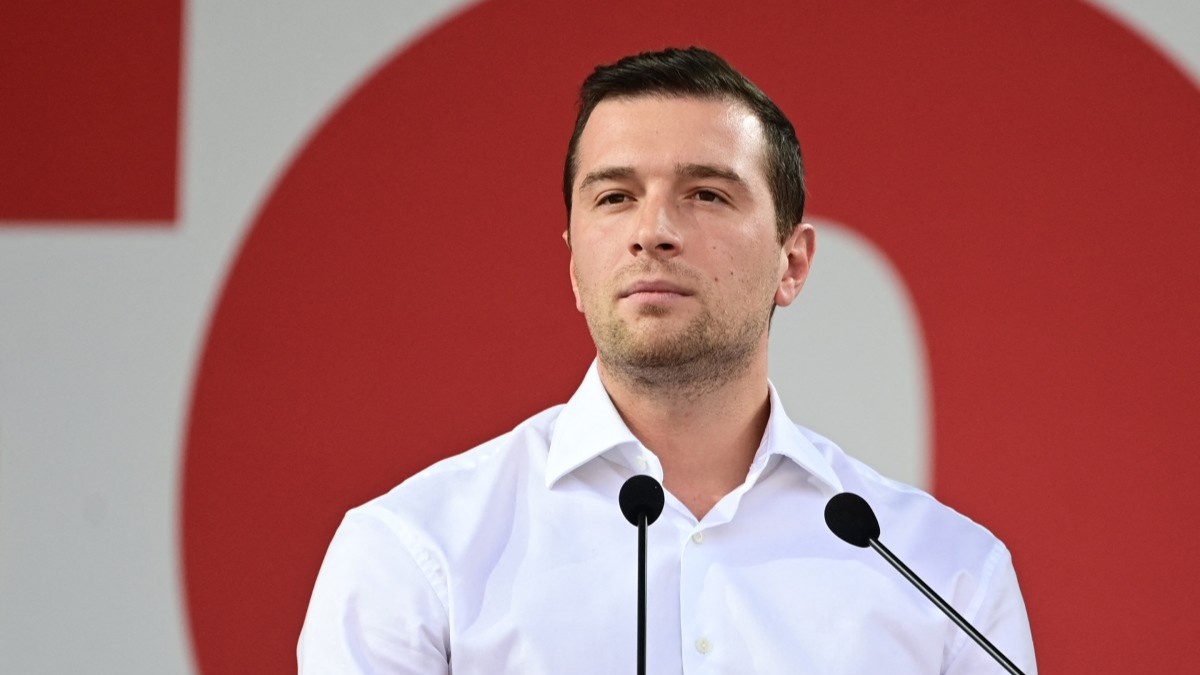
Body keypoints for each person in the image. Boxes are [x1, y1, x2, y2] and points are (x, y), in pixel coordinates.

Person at [298, 46, 1037, 674]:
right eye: (616, 197)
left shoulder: (945, 576)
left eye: (707, 194)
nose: (652, 232)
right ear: (575, 266)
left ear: (794, 262)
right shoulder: (416, 552)